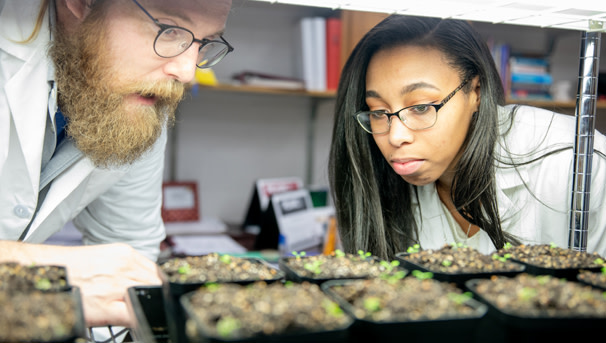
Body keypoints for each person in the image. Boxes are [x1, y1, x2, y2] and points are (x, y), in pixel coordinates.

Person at [0, 0, 233, 328]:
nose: (186, 71)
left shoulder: (136, 98)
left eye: (205, 43)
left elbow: (127, 251)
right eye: (168, 30)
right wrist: (38, 267)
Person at [328, 14, 606, 261]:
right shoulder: (377, 179)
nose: (395, 136)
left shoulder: (577, 163)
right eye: (378, 112)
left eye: (422, 107)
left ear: (477, 91)